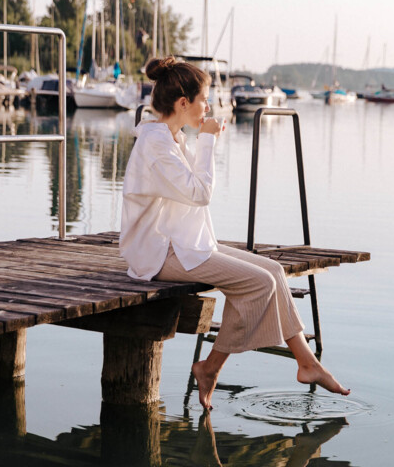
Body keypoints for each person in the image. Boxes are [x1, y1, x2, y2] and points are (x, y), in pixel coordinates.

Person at [120, 56, 349, 409]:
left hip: (183, 244)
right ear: (183, 104)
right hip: (157, 253)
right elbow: (200, 193)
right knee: (258, 284)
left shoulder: (171, 138)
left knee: (272, 270)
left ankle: (307, 362)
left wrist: (201, 141)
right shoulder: (156, 145)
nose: (208, 107)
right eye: (203, 100)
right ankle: (210, 368)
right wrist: (208, 141)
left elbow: (192, 192)